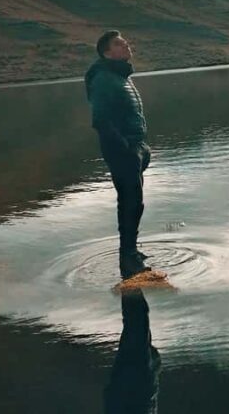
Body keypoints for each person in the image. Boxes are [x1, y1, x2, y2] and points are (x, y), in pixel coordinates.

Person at [84, 30, 152, 278]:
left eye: (125, 41)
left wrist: (141, 146)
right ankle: (128, 256)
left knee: (135, 202)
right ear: (107, 52)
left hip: (134, 148)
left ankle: (131, 252)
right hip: (122, 151)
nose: (126, 44)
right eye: (118, 43)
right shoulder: (103, 78)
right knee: (130, 202)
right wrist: (125, 148)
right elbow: (101, 120)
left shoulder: (119, 76)